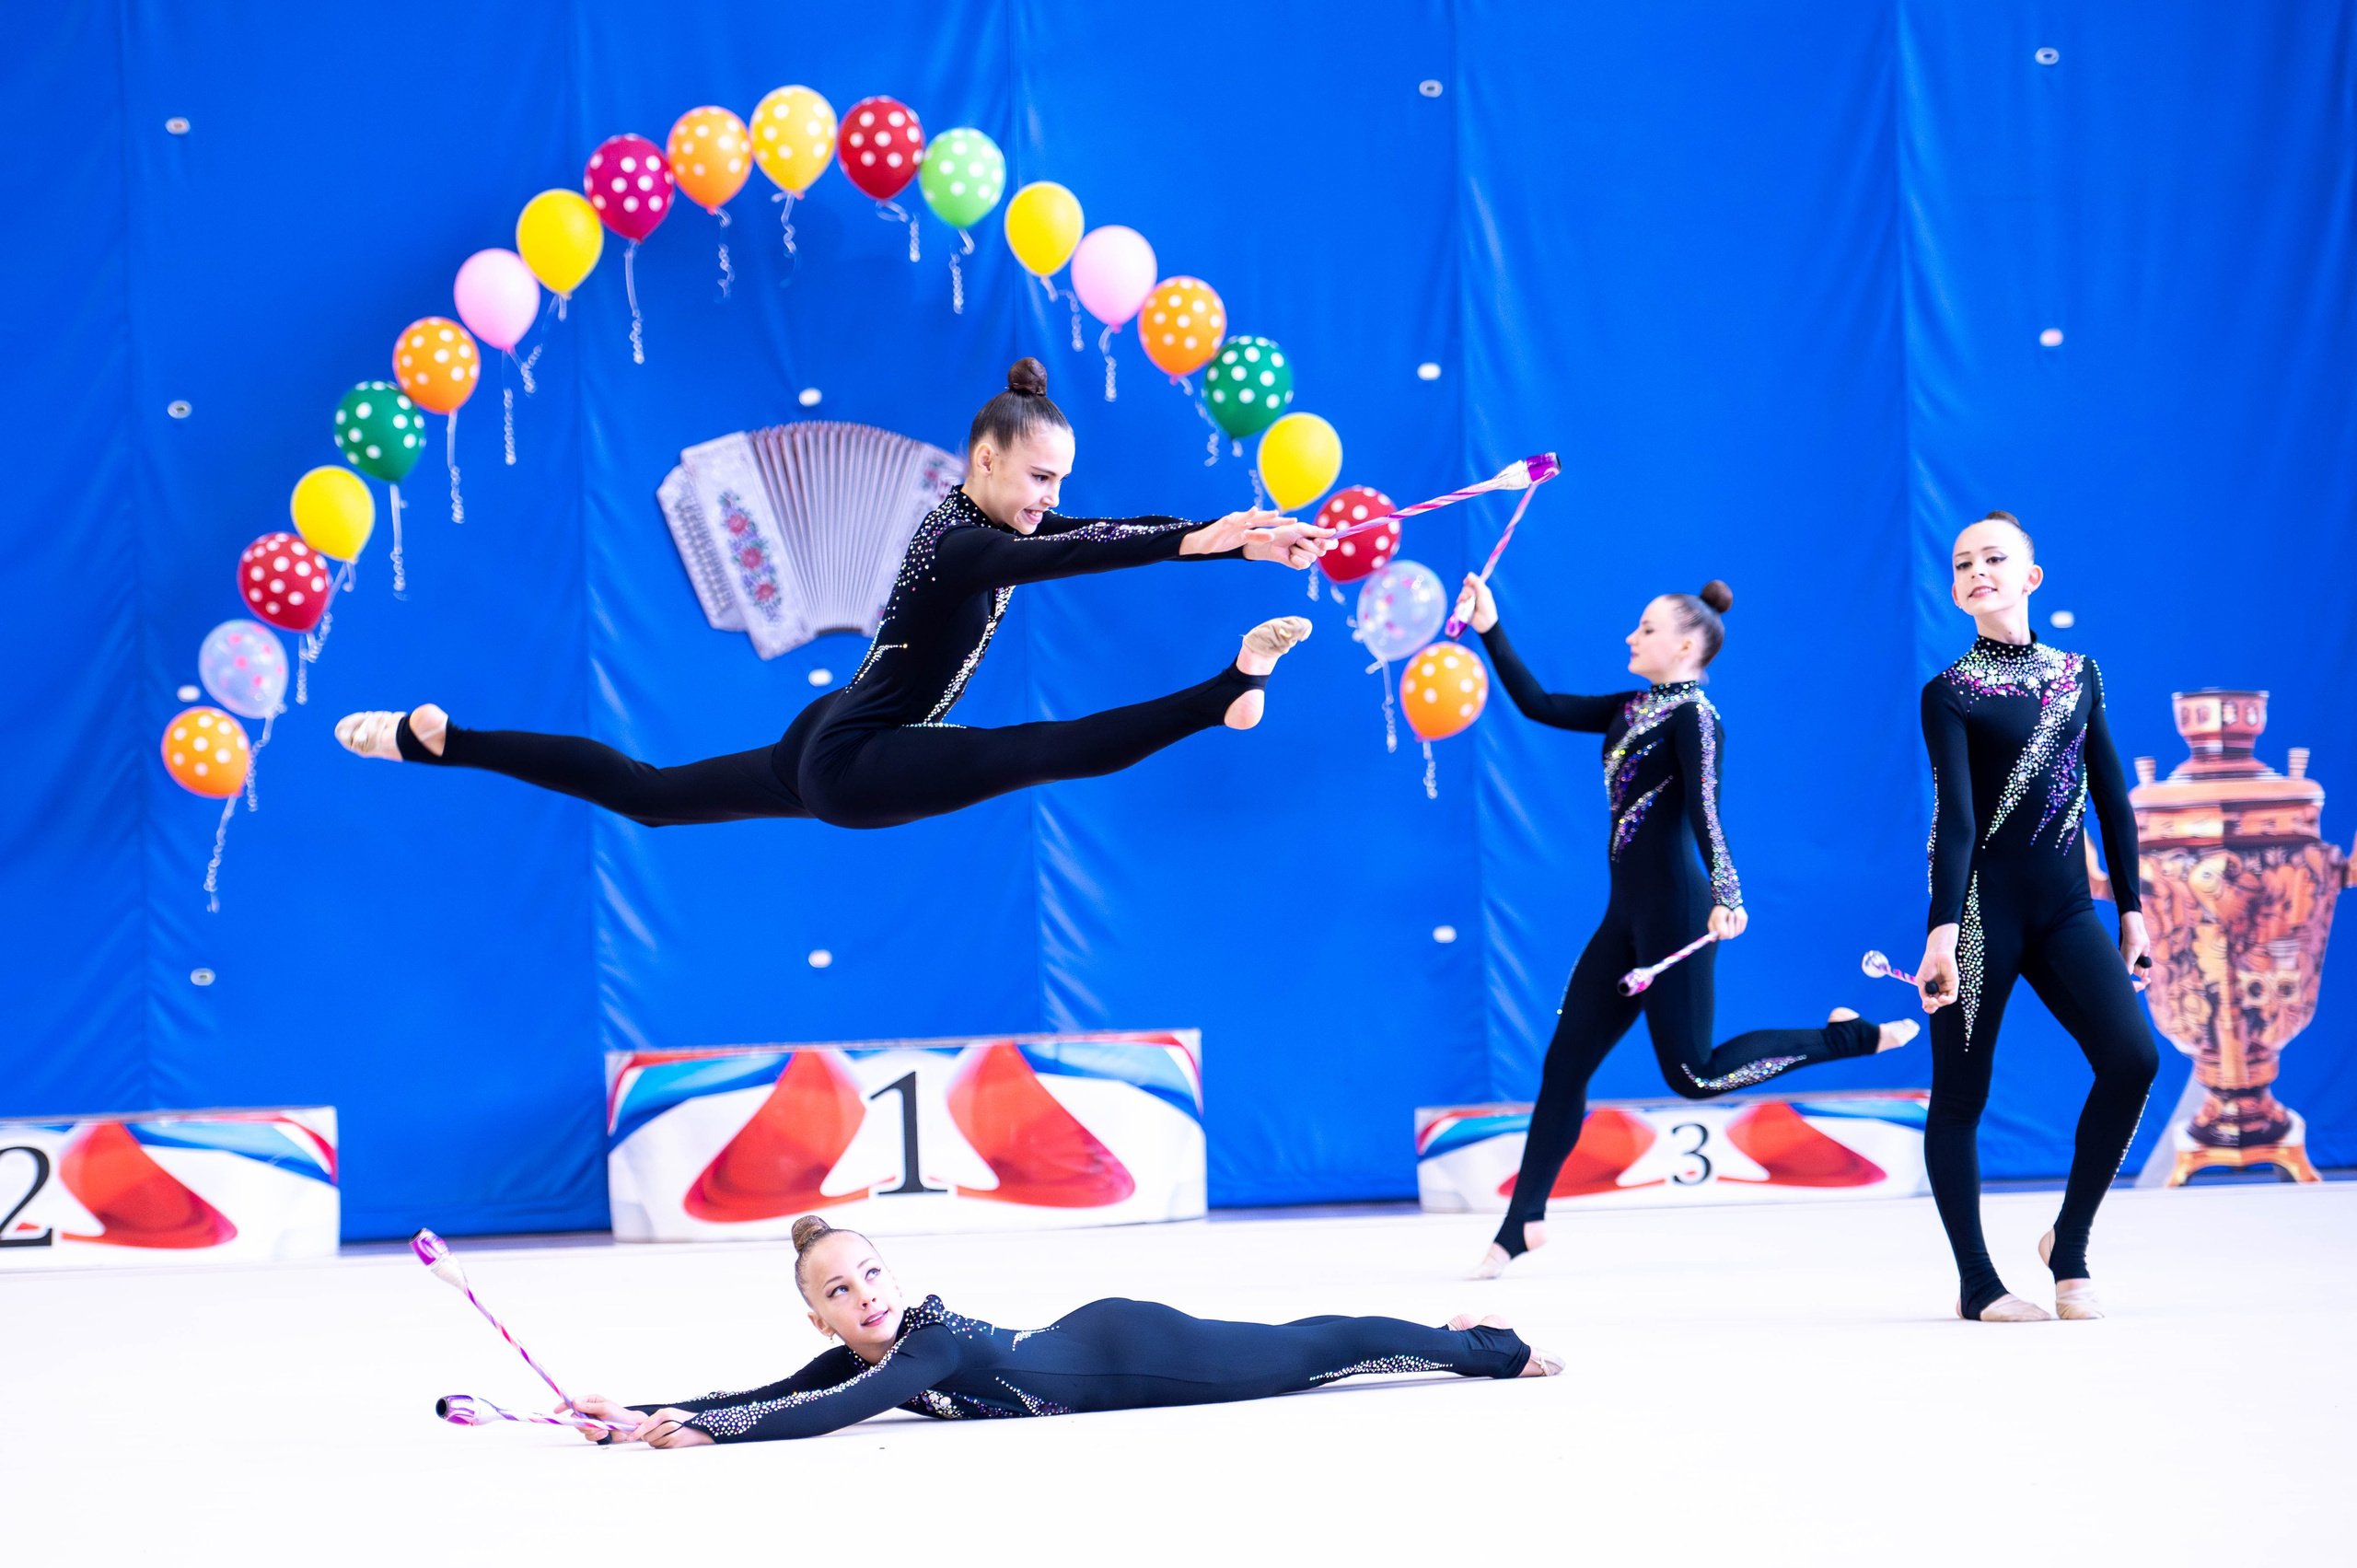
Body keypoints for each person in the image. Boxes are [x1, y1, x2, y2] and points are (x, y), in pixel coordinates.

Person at [333, 358, 1332, 830]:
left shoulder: (977, 521)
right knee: (1037, 749)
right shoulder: (962, 545)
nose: (1050, 498)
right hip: (855, 758)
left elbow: (1091, 530)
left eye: (1060, 480)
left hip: (829, 734)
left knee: (648, 795)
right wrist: (1197, 540)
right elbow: (1069, 556)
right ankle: (1224, 693)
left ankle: (440, 743)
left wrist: (1233, 543)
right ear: (984, 458)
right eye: (1039, 477)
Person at [1451, 572, 1919, 1281]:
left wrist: (1727, 893)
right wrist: (1490, 626)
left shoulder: (1696, 717)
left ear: (1686, 644)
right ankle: (1522, 1223)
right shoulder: (1630, 706)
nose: (1630, 637)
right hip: (1624, 916)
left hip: (1676, 912)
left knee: (1695, 1074)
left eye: (1645, 628)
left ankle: (1848, 1035)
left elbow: (1706, 808)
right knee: (1564, 1065)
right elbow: (1538, 703)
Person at [563, 1216, 1562, 1446]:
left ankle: (1490, 1346)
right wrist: (640, 1411)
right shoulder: (856, 1352)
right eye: (839, 1289)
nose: (863, 1294)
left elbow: (834, 1412)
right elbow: (771, 1393)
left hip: (1143, 1354)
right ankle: (1455, 1328)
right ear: (817, 1313)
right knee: (1314, 1342)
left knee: (1319, 1350)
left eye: (871, 1272)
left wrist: (709, 1433)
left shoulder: (926, 1342)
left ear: (892, 1277)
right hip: (1093, 1340)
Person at [1915, 511, 2155, 1323]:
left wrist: (2132, 910)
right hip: (1981, 914)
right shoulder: (1949, 693)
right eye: (1963, 564)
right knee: (1960, 1096)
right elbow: (1955, 819)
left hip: (2065, 909)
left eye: (1994, 558)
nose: (1977, 571)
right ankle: (1978, 1282)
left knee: (2133, 1059)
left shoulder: (2079, 674)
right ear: (1956, 589)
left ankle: (2070, 1243)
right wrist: (1942, 931)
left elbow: (2113, 799)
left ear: (2031, 577)